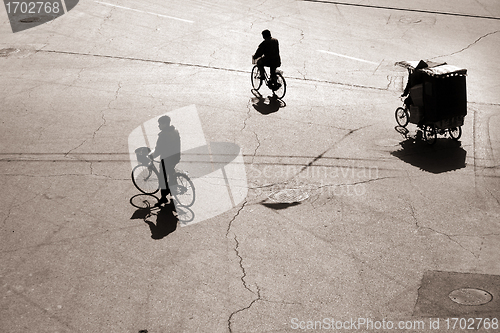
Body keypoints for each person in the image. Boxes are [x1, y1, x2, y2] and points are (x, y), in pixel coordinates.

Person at [149, 115, 181, 206]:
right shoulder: (175, 131)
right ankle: (173, 191)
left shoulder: (163, 135)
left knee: (162, 177)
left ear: (165, 124)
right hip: (175, 157)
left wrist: (151, 156)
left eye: (160, 124)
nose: (159, 126)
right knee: (171, 173)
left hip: (167, 158)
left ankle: (163, 198)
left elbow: (159, 149)